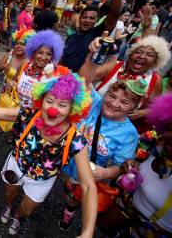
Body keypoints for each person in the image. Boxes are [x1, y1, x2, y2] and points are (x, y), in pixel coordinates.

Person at [0, 65, 97, 237]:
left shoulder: (76, 140)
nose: (53, 109)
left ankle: (17, 215)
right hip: (16, 165)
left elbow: (88, 185)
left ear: (73, 109)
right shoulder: (29, 114)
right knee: (9, 193)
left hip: (42, 180)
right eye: (49, 101)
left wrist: (88, 231)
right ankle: (9, 207)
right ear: (41, 100)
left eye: (62, 104)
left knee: (27, 209)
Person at [59, 78, 147, 231]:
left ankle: (70, 211)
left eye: (124, 102)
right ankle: (69, 205)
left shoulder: (129, 134)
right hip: (62, 161)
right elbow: (85, 78)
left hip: (86, 173)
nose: (114, 104)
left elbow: (121, 166)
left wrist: (106, 172)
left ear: (134, 108)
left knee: (76, 195)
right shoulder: (94, 101)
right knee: (66, 190)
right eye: (112, 96)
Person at [96, 93, 172, 237]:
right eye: (170, 128)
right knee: (103, 226)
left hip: (158, 230)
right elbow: (138, 156)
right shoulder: (157, 139)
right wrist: (132, 163)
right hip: (129, 202)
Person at [80, 34, 170, 132]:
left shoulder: (155, 80)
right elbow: (83, 80)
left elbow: (154, 108)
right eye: (138, 52)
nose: (142, 56)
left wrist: (141, 113)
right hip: (86, 118)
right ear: (130, 55)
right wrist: (93, 54)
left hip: (116, 133)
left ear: (155, 62)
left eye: (149, 55)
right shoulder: (114, 65)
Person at [60, 0, 125, 72]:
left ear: (96, 21)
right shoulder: (71, 37)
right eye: (84, 17)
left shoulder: (96, 34)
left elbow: (114, 14)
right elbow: (62, 59)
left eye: (91, 18)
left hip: (81, 83)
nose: (87, 20)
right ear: (80, 18)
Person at [14, 30, 64, 109]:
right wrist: (11, 84)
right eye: (40, 52)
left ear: (52, 57)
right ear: (34, 53)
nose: (44, 57)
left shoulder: (53, 76)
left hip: (36, 118)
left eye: (48, 54)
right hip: (16, 113)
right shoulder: (24, 67)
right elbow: (14, 83)